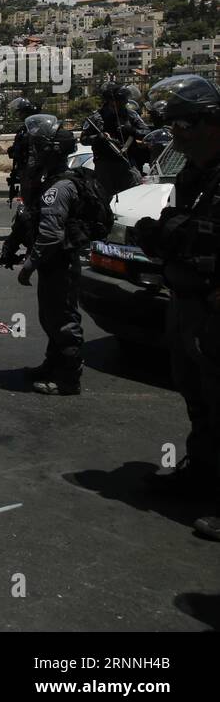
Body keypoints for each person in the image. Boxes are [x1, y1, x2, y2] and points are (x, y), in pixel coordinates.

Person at [135, 74, 220, 540]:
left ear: (210, 123)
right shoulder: (193, 173)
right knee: (199, 397)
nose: (175, 136)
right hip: (188, 300)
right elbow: (177, 225)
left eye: (183, 126)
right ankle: (203, 474)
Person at [14, 115, 99, 396]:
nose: (34, 152)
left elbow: (51, 235)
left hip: (60, 263)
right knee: (52, 318)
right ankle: (52, 365)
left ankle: (67, 379)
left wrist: (29, 265)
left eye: (39, 147)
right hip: (57, 263)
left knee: (63, 321)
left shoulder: (59, 187)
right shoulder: (54, 180)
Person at [81, 82, 148, 197]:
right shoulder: (96, 117)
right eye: (122, 100)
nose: (125, 102)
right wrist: (98, 138)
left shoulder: (131, 115)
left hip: (126, 162)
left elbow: (147, 132)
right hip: (104, 165)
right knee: (105, 198)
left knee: (133, 196)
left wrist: (132, 130)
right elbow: (84, 139)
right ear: (111, 101)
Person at [5, 97, 40, 204]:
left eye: (19, 112)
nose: (18, 115)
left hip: (30, 167)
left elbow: (28, 143)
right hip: (25, 166)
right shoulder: (26, 127)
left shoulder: (33, 126)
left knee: (28, 195)